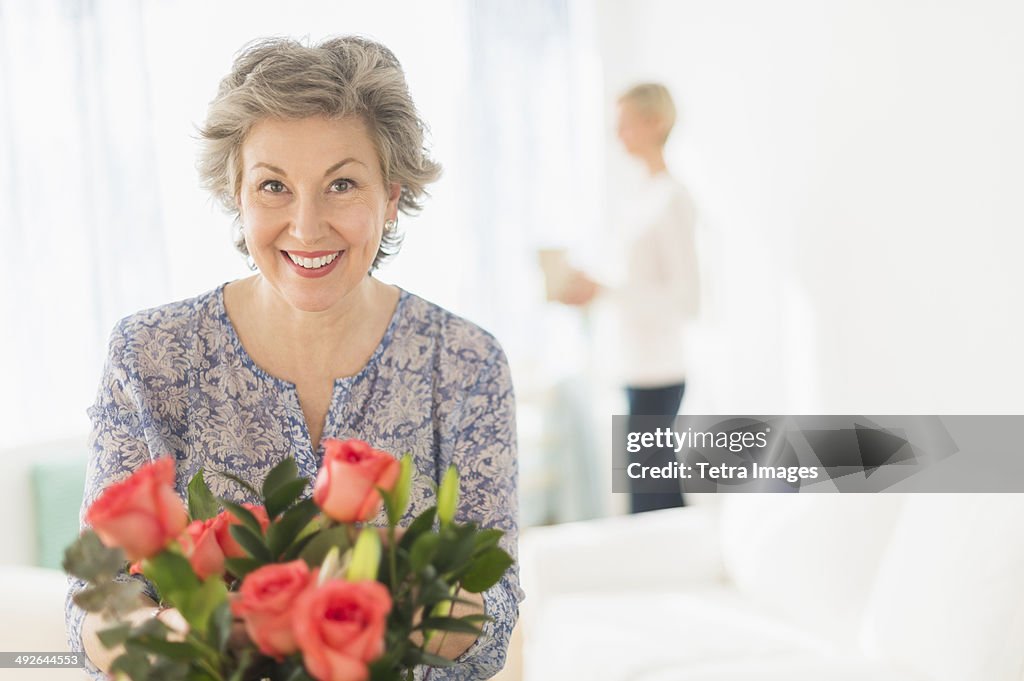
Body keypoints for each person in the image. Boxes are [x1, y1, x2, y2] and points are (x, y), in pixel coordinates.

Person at [66, 36, 522, 680]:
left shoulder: (466, 362)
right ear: (237, 194)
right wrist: (178, 636)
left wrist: (409, 607)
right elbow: (95, 595)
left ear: (391, 198)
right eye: (274, 186)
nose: (306, 227)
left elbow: (496, 607)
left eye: (342, 184)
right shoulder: (150, 354)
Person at [557, 83, 700, 513]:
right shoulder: (640, 198)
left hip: (660, 368)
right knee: (651, 493)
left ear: (655, 122)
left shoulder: (673, 199)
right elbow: (632, 283)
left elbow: (686, 297)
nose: (617, 134)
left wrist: (608, 292)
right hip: (633, 363)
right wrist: (593, 289)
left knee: (652, 498)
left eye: (625, 124)